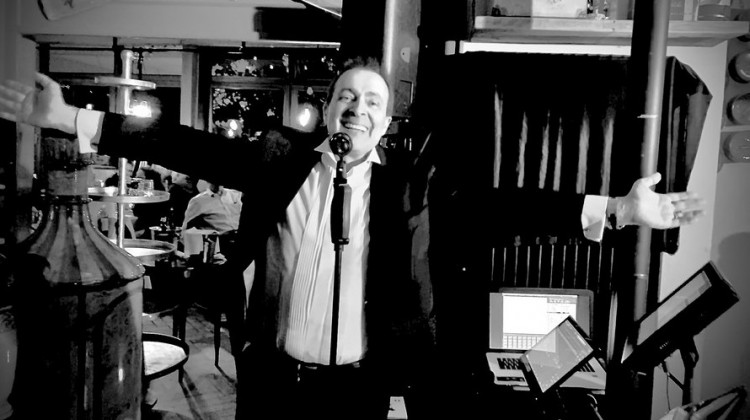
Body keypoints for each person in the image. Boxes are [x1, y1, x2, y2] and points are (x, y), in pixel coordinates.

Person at [0, 60, 703, 419]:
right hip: (273, 380)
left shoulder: (413, 189)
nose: (356, 107)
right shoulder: (278, 160)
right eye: (346, 95)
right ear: (328, 108)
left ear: (385, 123)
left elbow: (503, 207)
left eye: (372, 101)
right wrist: (73, 118)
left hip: (361, 389)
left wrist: (617, 208)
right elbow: (186, 144)